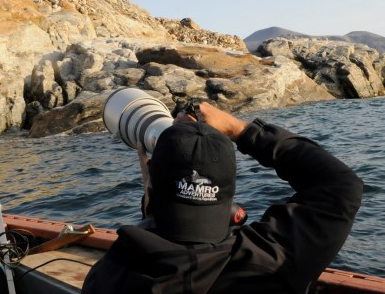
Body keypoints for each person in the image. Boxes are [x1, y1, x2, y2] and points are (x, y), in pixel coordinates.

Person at [82, 102, 363, 294]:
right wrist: (239, 129)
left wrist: (153, 206)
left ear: (151, 194)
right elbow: (342, 185)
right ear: (228, 195)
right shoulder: (274, 262)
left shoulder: (108, 278)